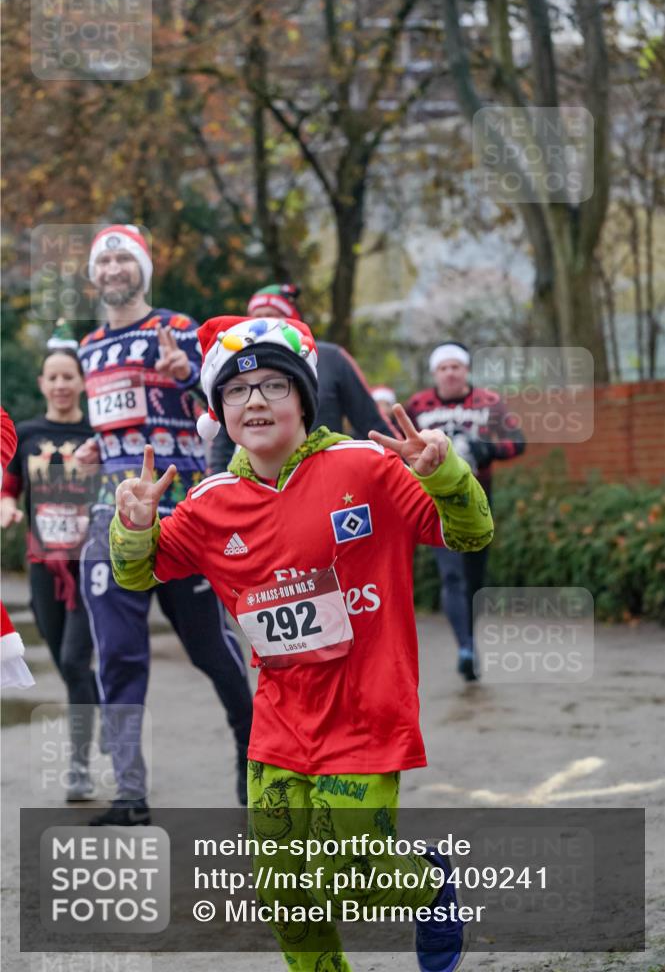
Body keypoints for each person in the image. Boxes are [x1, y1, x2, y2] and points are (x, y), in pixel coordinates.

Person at [109, 313, 493, 972]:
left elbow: (469, 534)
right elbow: (136, 572)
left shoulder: (367, 466)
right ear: (218, 409)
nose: (254, 400)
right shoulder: (208, 503)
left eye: (272, 386)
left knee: (357, 877)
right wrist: (134, 525)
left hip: (367, 712)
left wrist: (446, 475)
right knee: (283, 889)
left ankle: (427, 887)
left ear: (303, 397)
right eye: (236, 390)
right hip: (281, 722)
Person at [75, 224, 253, 824]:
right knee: (118, 658)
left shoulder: (180, 331)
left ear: (142, 269)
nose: (113, 267)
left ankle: (254, 755)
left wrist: (185, 377)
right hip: (112, 517)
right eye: (104, 260)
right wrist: (94, 451)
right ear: (95, 275)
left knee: (212, 651)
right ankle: (130, 796)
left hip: (180, 517)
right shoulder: (88, 347)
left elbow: (233, 410)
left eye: (124, 257)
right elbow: (113, 426)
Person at [1, 339, 99, 795]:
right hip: (43, 568)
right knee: (66, 662)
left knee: (77, 661)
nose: (61, 384)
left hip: (91, 566)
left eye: (68, 376)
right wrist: (7, 507)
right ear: (42, 384)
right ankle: (93, 705)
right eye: (53, 377)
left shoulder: (98, 432)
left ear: (82, 382)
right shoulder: (27, 433)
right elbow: (9, 486)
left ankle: (79, 767)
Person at [406, 341, 525, 681]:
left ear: (466, 370)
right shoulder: (418, 405)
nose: (450, 372)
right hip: (433, 504)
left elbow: (517, 441)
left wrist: (485, 449)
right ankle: (465, 647)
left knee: (473, 578)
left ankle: (470, 638)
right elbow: (395, 444)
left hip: (479, 502)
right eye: (443, 367)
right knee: (452, 575)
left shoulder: (488, 403)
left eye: (456, 366)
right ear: (435, 373)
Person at [210, 283, 394, 473]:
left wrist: (410, 464)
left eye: (271, 316)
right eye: (255, 319)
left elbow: (372, 421)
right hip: (260, 484)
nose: (263, 325)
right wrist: (216, 483)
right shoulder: (241, 365)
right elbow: (226, 431)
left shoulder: (332, 358)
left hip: (328, 480)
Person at [0, 406, 35, 691]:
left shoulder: (90, 432)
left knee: (74, 659)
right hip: (42, 558)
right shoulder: (30, 432)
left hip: (80, 555)